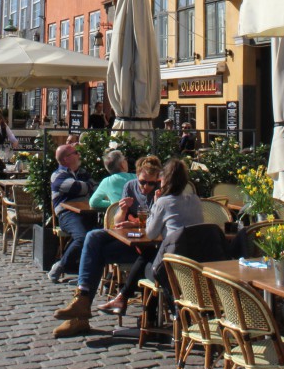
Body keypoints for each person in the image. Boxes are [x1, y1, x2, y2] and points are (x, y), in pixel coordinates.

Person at [53, 156, 201, 335]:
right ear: (135, 176)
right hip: (139, 244)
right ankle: (82, 300)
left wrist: (140, 220)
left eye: (152, 183)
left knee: (98, 253)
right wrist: (122, 211)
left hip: (156, 251)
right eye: (142, 182)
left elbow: (156, 232)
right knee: (93, 238)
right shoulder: (130, 187)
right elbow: (118, 222)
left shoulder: (164, 197)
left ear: (161, 180)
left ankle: (83, 313)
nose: (146, 187)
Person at [47, 143, 97, 283]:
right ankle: (60, 266)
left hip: (87, 212)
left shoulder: (83, 172)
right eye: (75, 152)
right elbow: (77, 188)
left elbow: (95, 188)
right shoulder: (58, 175)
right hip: (67, 214)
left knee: (98, 237)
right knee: (82, 238)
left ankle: (85, 274)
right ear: (65, 159)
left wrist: (87, 187)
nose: (78, 155)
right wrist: (87, 186)